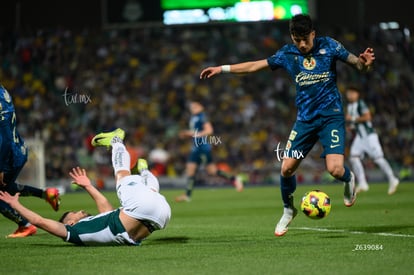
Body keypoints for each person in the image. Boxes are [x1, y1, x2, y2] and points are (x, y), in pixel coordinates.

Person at [199, 14, 375, 236]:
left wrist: (365, 64)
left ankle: (349, 178)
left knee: (335, 169)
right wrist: (222, 69)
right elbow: (255, 65)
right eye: (296, 39)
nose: (301, 44)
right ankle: (288, 209)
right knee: (286, 168)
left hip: (331, 116)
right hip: (305, 121)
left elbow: (358, 64)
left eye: (305, 39)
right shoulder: (287, 53)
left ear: (313, 34)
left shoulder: (329, 46)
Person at [0, 128, 171, 245]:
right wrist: (16, 205)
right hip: (144, 211)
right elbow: (39, 221)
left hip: (160, 216)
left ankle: (144, 170)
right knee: (122, 175)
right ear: (71, 223)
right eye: (73, 214)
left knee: (151, 192)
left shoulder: (97, 226)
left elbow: (107, 210)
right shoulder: (73, 233)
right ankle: (116, 141)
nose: (79, 210)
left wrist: (89, 186)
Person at [0, 84, 60, 238]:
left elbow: (5, 139)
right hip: (17, 149)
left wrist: (0, 167)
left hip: (7, 155)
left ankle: (25, 225)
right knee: (7, 188)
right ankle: (46, 194)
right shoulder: (2, 92)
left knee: (1, 192)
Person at [175, 99, 243, 202]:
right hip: (196, 147)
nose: (192, 108)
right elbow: (195, 131)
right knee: (190, 170)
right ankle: (187, 196)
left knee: (212, 171)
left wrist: (196, 134)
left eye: (195, 106)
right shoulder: (194, 117)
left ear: (201, 107)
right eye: (192, 106)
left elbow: (209, 130)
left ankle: (235, 179)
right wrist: (187, 133)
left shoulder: (202, 116)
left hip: (203, 147)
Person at [345, 86, 399, 194]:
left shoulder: (360, 104)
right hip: (360, 137)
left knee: (378, 158)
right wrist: (351, 127)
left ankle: (393, 179)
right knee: (353, 157)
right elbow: (355, 123)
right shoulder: (350, 106)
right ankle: (363, 183)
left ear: (357, 94)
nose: (350, 95)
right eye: (348, 93)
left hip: (369, 137)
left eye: (352, 93)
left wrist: (353, 119)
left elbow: (368, 117)